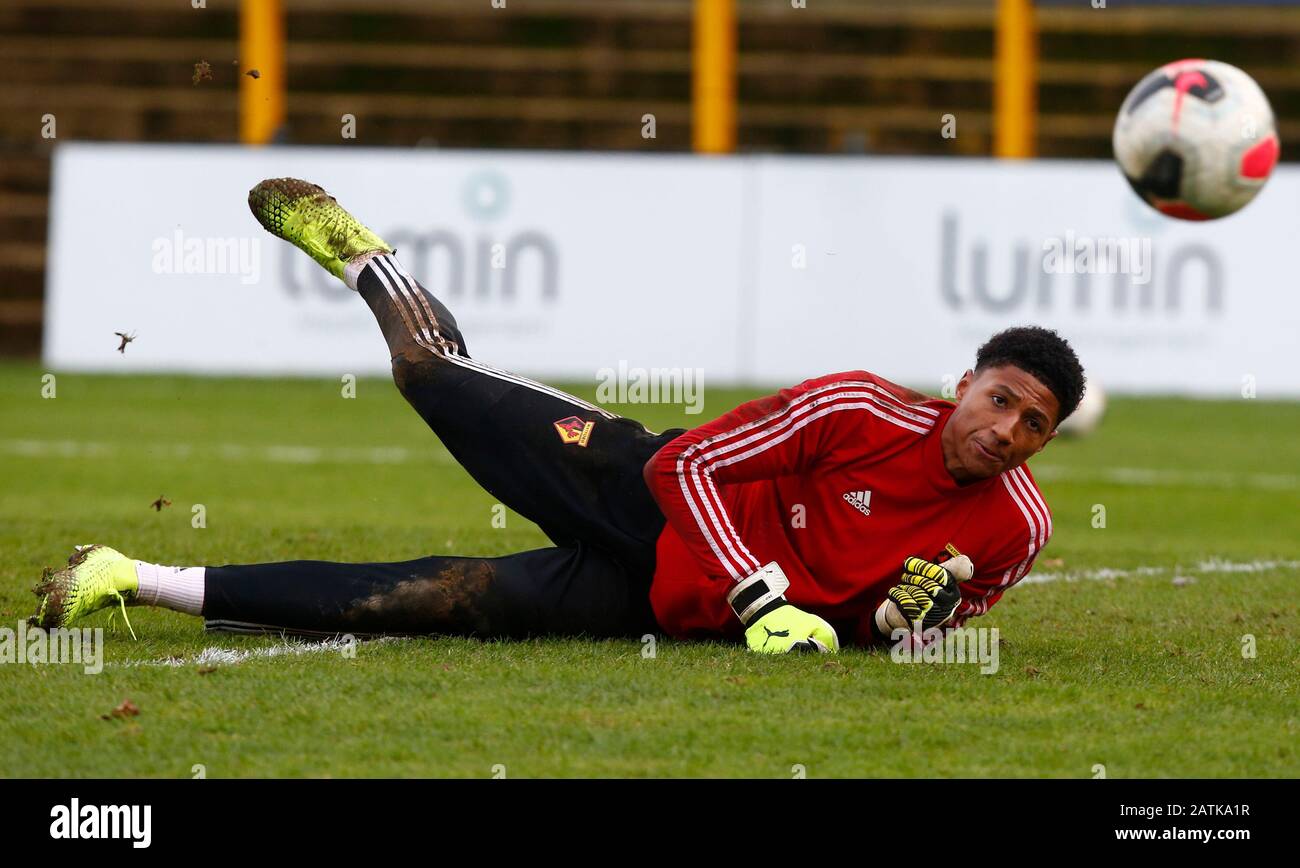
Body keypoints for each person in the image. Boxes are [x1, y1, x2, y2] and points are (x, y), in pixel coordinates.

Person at [31, 179, 1084, 654]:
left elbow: (923, 626)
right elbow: (691, 471)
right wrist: (764, 595)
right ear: (964, 381)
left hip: (659, 606)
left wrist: (909, 625)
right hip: (635, 484)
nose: (1006, 428)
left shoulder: (1018, 528)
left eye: (1032, 423)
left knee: (418, 603)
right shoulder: (855, 405)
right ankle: (363, 255)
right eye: (1000, 398)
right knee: (428, 375)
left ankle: (128, 576)